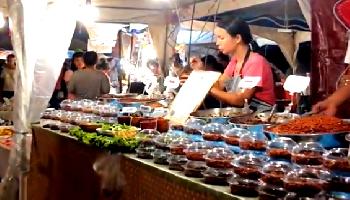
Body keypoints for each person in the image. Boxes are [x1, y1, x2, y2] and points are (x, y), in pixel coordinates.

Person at [209, 17, 276, 111]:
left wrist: (207, 89)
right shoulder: (234, 62)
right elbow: (219, 85)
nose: (217, 42)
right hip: (243, 115)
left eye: (221, 38)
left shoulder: (256, 62)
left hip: (261, 118)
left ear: (237, 38)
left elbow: (241, 100)